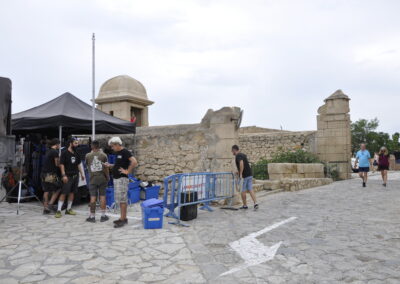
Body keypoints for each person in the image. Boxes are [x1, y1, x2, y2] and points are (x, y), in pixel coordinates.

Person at [105, 137, 137, 228]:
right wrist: (111, 165)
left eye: (112, 146)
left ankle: (123, 219)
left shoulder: (125, 152)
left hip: (122, 179)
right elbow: (119, 165)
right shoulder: (118, 153)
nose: (112, 148)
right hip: (117, 179)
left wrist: (128, 171)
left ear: (117, 144)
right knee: (120, 199)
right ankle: (122, 218)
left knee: (123, 199)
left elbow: (134, 162)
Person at [56, 138, 85, 218]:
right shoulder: (64, 153)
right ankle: (58, 210)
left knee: (72, 193)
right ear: (70, 143)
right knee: (64, 193)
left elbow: (78, 164)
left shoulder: (77, 153)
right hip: (67, 176)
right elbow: (61, 165)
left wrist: (82, 174)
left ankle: (68, 209)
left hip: (76, 175)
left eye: (77, 143)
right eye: (75, 143)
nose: (77, 145)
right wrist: (63, 175)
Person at [85, 140, 110, 223]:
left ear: (92, 146)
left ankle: (92, 217)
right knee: (102, 196)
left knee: (93, 197)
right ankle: (103, 216)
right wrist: (108, 177)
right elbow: (106, 168)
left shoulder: (88, 155)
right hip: (102, 178)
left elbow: (87, 165)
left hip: (92, 178)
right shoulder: (103, 155)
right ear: (99, 146)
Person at [231, 145, 258, 210]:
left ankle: (245, 205)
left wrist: (240, 174)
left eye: (232, 151)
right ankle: (255, 203)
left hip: (245, 176)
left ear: (234, 150)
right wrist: (238, 171)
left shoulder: (238, 156)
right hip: (250, 174)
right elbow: (245, 165)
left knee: (243, 191)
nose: (232, 153)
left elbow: (241, 163)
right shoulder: (243, 154)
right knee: (250, 189)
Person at [41, 138, 61, 214]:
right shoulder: (55, 152)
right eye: (59, 144)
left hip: (43, 173)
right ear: (56, 144)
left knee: (46, 190)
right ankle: (50, 205)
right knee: (58, 188)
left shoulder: (48, 151)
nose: (59, 146)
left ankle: (45, 208)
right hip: (50, 174)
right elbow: (57, 164)